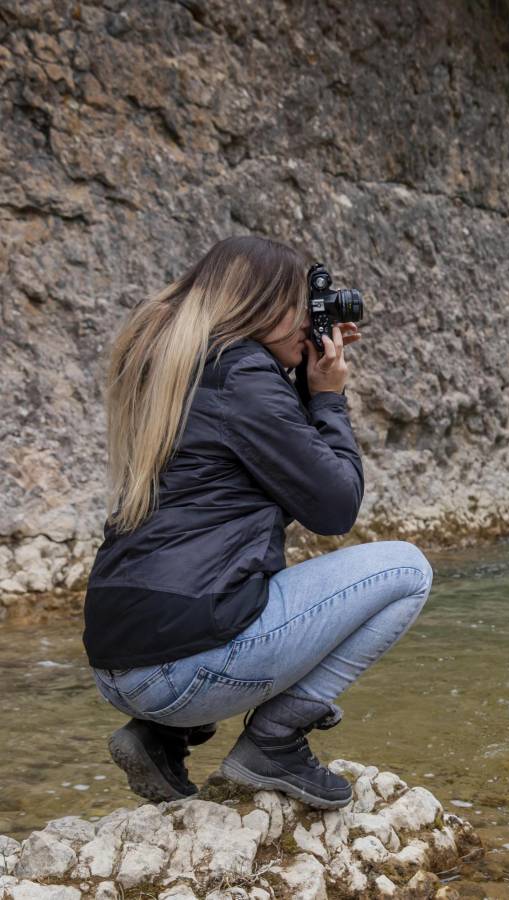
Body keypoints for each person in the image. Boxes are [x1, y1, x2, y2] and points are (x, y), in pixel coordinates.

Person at [82, 235, 433, 810]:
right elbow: (334, 506)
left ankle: (159, 737)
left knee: (238, 576)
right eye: (300, 306)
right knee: (406, 570)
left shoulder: (175, 365)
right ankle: (274, 741)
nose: (309, 322)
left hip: (119, 668)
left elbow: (253, 460)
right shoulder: (244, 376)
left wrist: (295, 375)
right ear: (262, 305)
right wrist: (327, 398)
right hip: (180, 673)